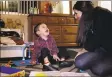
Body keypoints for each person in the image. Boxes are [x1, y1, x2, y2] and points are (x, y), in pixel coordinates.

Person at [73, 1, 112, 77]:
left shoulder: (101, 14)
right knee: (94, 68)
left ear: (82, 11)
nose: (75, 17)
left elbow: (95, 40)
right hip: (100, 50)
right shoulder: (89, 20)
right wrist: (83, 50)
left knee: (96, 68)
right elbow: (90, 42)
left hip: (109, 50)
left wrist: (82, 51)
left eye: (76, 13)